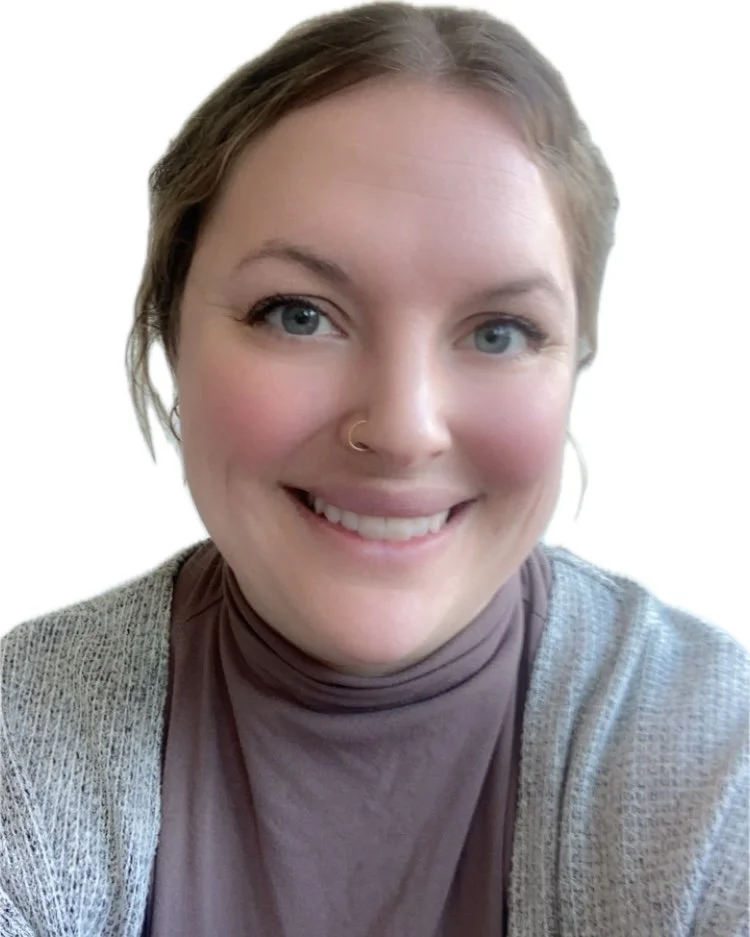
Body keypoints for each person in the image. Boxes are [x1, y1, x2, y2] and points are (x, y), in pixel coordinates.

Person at [1, 3, 747, 935]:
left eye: (499, 331)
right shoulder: (20, 742)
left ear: (573, 368)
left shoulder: (716, 759)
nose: (402, 429)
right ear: (170, 337)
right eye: (298, 314)